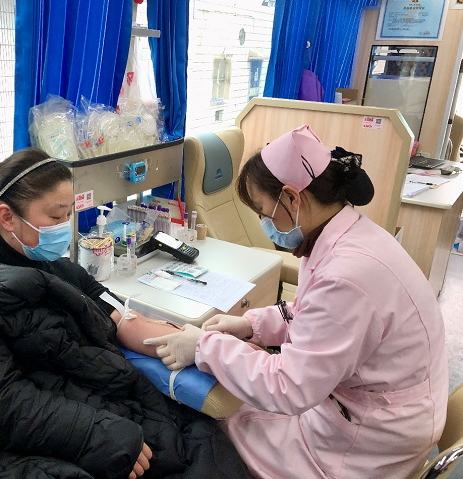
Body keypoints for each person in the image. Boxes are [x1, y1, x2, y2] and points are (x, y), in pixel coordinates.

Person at [0, 148, 252, 479]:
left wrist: (197, 344)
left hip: (86, 400)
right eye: (55, 216)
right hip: (25, 430)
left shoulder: (59, 269)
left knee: (197, 444)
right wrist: (96, 433)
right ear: (6, 217)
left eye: (69, 214)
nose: (64, 228)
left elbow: (121, 318)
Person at [144, 125, 448, 478]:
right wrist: (250, 325)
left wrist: (204, 347)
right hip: (378, 403)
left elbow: (288, 388)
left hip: (370, 438)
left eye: (263, 211)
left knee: (218, 429)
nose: (263, 222)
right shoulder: (343, 234)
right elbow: (310, 313)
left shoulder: (347, 275)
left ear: (292, 198)